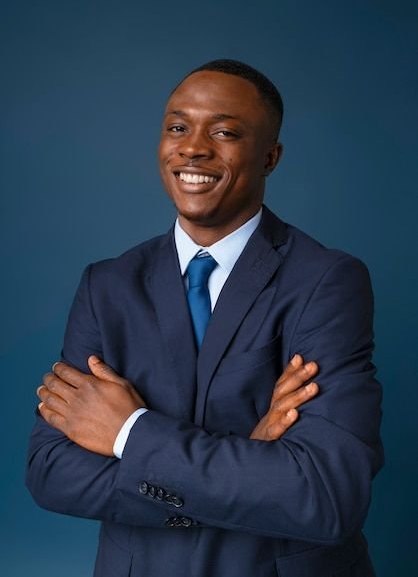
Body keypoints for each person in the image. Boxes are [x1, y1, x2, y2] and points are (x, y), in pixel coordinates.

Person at [26, 59, 383, 577]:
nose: (193, 147)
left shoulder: (327, 282)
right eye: (177, 128)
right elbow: (51, 471)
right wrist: (250, 460)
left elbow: (324, 495)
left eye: (224, 132)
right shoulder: (107, 285)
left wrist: (128, 432)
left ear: (270, 157)